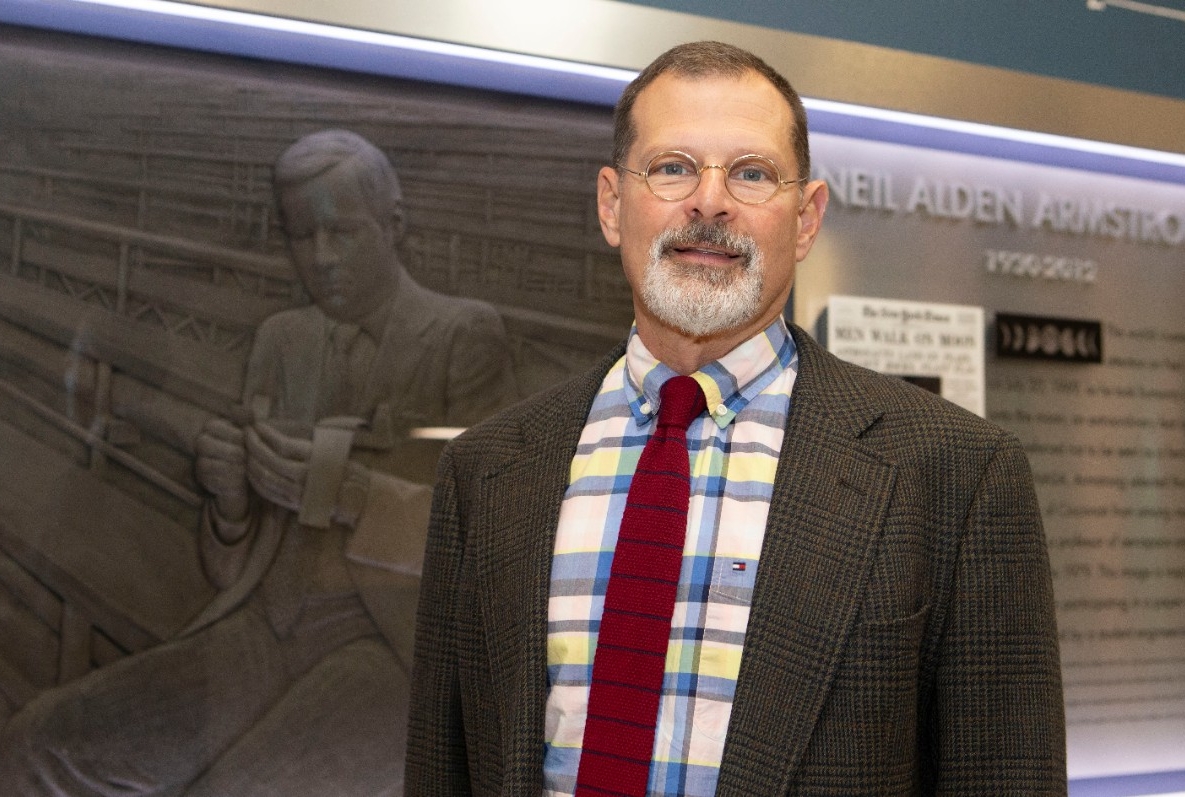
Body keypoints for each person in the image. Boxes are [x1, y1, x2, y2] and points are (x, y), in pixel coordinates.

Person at [405, 42, 1066, 796]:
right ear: (612, 205)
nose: (709, 202)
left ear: (806, 219)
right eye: (672, 167)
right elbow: (443, 769)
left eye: (750, 173)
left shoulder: (957, 474)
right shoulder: (487, 470)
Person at [0, 129, 518, 795]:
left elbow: (493, 531)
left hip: (399, 647)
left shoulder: (462, 335)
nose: (321, 257)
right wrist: (229, 505)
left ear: (393, 226)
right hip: (267, 624)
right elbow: (231, 568)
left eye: (342, 233)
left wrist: (348, 492)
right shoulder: (282, 340)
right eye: (302, 235)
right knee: (38, 741)